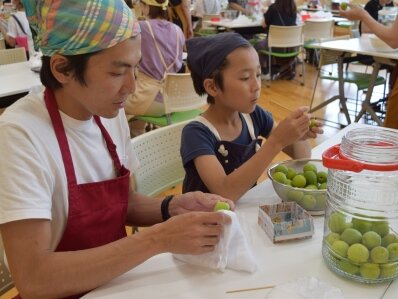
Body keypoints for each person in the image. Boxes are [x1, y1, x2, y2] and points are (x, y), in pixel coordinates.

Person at [0, 1, 234, 298]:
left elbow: (117, 204)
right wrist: (157, 239)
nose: (132, 87)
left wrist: (171, 207)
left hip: (115, 285)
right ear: (62, 68)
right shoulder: (21, 134)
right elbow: (34, 278)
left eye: (135, 68)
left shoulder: (108, 113)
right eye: (117, 72)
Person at [180, 32, 323, 201]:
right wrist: (276, 141)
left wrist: (299, 134)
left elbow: (303, 157)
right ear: (212, 87)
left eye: (258, 75)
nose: (256, 86)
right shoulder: (196, 133)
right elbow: (225, 192)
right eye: (245, 77)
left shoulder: (253, 116)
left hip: (243, 212)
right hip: (204, 221)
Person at [124, 0, 185, 136]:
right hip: (174, 100)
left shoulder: (140, 27)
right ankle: (141, 135)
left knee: (114, 103)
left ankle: (135, 139)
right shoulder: (177, 30)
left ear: (146, 7)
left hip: (147, 98)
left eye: (140, 4)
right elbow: (180, 63)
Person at [340, 4, 398, 129]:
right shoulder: (372, 4)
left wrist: (363, 15)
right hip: (373, 54)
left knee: (393, 134)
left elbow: (393, 39)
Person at [254, 0, 298, 80]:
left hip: (275, 46)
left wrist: (265, 14)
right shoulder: (293, 8)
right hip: (291, 47)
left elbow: (263, 25)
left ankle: (265, 71)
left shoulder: (273, 8)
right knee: (265, 44)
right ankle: (281, 69)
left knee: (258, 45)